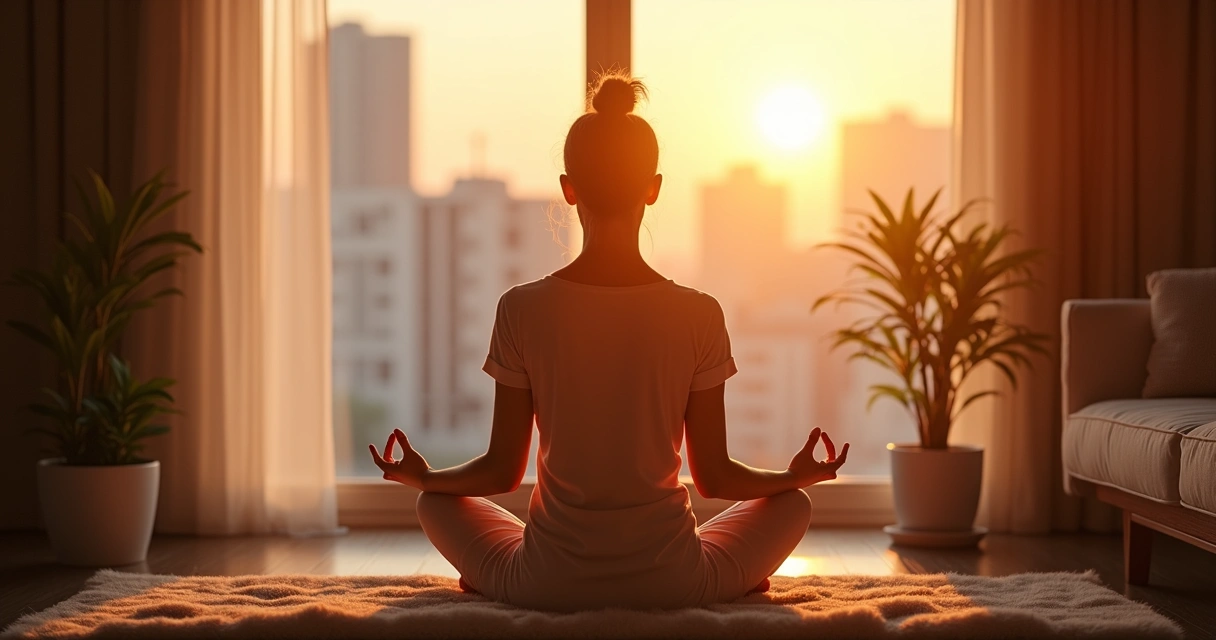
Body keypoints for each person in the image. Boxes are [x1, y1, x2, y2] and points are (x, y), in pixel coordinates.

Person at [369, 73, 849, 612]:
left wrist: (424, 476)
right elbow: (714, 477)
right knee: (795, 506)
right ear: (654, 187)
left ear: (568, 188)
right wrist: (792, 476)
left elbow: (503, 471)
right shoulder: (699, 313)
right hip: (674, 581)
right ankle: (733, 579)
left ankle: (492, 573)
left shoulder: (521, 308)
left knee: (435, 504)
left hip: (543, 583)